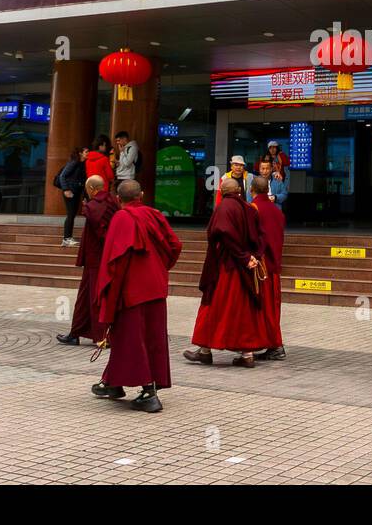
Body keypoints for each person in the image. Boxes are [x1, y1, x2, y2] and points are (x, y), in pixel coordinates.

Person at [90, 180, 181, 412]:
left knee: (132, 339)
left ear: (118, 199)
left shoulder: (121, 218)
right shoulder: (154, 215)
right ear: (141, 194)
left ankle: (149, 392)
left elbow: (113, 260)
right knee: (149, 337)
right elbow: (174, 245)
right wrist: (159, 268)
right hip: (155, 287)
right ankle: (113, 382)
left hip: (130, 289)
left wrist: (108, 292)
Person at [184, 177, 276, 368]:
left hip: (228, 268)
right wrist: (254, 257)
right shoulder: (249, 209)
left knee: (214, 306)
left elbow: (224, 235)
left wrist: (243, 257)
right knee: (244, 309)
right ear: (239, 192)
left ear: (223, 192)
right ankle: (247, 354)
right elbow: (261, 236)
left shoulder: (224, 208)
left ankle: (205, 351)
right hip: (246, 268)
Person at [57, 175, 117, 346]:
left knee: (96, 297)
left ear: (91, 189)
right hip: (98, 257)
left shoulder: (93, 206)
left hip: (97, 258)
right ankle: (75, 333)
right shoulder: (112, 202)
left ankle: (102, 336)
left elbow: (102, 232)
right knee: (84, 297)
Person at [251, 174, 286, 361]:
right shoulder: (277, 212)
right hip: (274, 266)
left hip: (260, 268)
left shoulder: (254, 209)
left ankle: (274, 344)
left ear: (252, 190)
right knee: (273, 308)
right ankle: (272, 345)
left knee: (263, 309)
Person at [57, 148, 87, 246]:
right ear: (80, 153)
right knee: (70, 214)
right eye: (86, 152)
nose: (88, 153)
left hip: (76, 192)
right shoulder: (74, 162)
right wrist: (66, 189)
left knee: (72, 214)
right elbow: (62, 176)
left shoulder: (82, 164)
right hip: (70, 192)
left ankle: (68, 238)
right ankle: (66, 239)